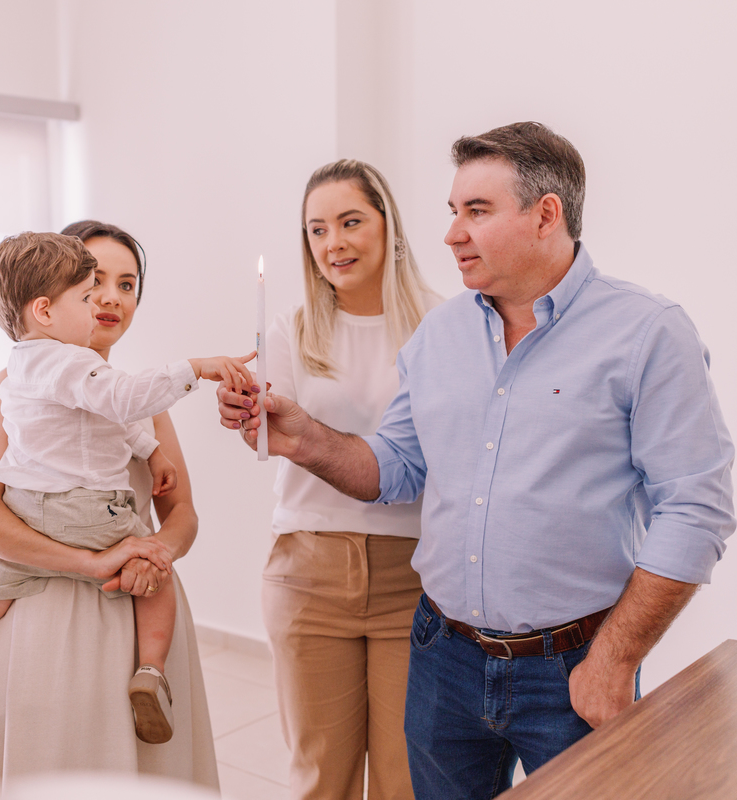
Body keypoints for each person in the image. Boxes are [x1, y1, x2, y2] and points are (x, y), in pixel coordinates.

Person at [219, 122, 735, 799]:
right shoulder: (441, 335)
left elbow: (696, 508)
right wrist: (301, 436)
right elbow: (394, 466)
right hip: (444, 658)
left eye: (477, 211)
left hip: (574, 666)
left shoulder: (647, 333)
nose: (451, 233)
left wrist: (615, 659)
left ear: (546, 214)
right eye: (453, 212)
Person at [0, 231, 251, 752]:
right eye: (92, 287)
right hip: (50, 616)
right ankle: (150, 671)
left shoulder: (63, 378)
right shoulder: (84, 380)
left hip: (101, 576)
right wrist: (195, 368)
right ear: (45, 307)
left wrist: (155, 548)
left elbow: (180, 512)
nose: (108, 298)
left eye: (126, 284)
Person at [247, 160, 443, 799]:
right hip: (308, 572)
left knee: (403, 778)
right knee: (319, 777)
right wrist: (249, 418)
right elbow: (269, 433)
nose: (334, 243)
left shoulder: (444, 326)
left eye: (351, 221)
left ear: (389, 226)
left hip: (412, 576)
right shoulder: (293, 331)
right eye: (317, 229)